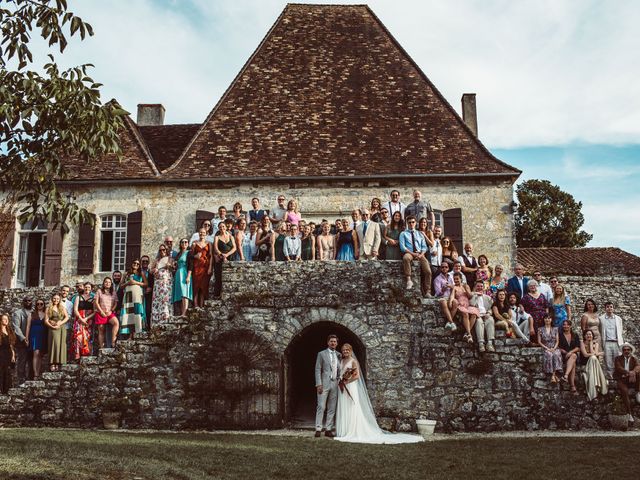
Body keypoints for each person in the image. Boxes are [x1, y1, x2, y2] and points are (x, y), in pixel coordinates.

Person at [335, 342, 423, 444]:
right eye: (344, 350)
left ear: (350, 351)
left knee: (351, 406)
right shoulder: (342, 361)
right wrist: (341, 381)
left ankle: (353, 430)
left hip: (350, 387)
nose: (345, 351)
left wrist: (347, 382)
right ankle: (344, 430)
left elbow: (357, 376)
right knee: (343, 406)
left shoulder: (353, 361)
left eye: (347, 350)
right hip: (342, 387)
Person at [315, 334, 341, 438]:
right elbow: (317, 369)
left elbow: (340, 369)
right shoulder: (321, 354)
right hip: (324, 384)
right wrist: (318, 384)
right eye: (331, 341)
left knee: (332, 407)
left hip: (335, 384)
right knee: (321, 406)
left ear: (337, 343)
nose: (333, 343)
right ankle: (318, 428)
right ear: (328, 342)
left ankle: (328, 429)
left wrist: (340, 380)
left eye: (335, 341)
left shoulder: (339, 355)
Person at [399, 215, 431, 295]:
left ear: (415, 223)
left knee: (428, 271)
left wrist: (421, 254)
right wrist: (412, 253)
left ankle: (428, 291)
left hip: (420, 254)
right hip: (410, 253)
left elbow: (424, 247)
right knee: (406, 258)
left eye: (413, 222)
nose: (411, 224)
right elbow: (402, 247)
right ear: (407, 223)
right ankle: (409, 280)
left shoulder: (420, 234)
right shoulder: (403, 234)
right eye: (409, 222)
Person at [120, 259, 147, 338]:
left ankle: (138, 333)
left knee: (137, 312)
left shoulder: (140, 273)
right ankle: (130, 334)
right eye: (134, 263)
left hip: (137, 295)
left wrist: (136, 282)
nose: (136, 265)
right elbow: (121, 286)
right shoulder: (126, 274)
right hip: (128, 295)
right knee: (129, 313)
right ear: (131, 264)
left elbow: (146, 284)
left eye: (138, 264)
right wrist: (127, 283)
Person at [613, 343, 640, 422]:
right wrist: (629, 373)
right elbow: (618, 368)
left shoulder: (634, 358)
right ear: (622, 351)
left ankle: (638, 392)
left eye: (628, 350)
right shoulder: (618, 358)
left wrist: (633, 372)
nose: (626, 351)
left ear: (631, 351)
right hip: (622, 379)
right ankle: (629, 414)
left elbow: (638, 366)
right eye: (624, 350)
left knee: (639, 373)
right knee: (624, 391)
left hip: (631, 379)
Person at [449, 272, 478, 344]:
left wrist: (466, 289)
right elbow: (452, 296)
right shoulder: (454, 287)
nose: (456, 280)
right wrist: (450, 302)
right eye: (454, 279)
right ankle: (469, 334)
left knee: (474, 314)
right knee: (465, 314)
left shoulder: (465, 286)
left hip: (467, 305)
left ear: (461, 279)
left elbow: (470, 296)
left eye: (457, 279)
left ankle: (466, 333)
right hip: (460, 305)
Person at [599, 302, 625, 379]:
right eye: (607, 307)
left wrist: (620, 341)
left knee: (618, 359)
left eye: (611, 307)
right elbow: (600, 330)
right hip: (607, 342)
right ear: (605, 308)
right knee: (608, 360)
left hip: (616, 342)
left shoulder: (618, 319)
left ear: (613, 308)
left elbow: (620, 330)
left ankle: (618, 376)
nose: (609, 308)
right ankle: (610, 377)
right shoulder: (601, 319)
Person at [580, 329, 608, 401]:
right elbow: (585, 355)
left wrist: (591, 344)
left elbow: (594, 354)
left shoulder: (596, 344)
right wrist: (599, 353)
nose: (589, 335)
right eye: (587, 334)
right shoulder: (582, 343)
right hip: (585, 364)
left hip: (593, 364)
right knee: (593, 357)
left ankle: (594, 390)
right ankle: (597, 385)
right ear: (584, 336)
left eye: (590, 334)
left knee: (593, 358)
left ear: (592, 336)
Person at [151, 244, 175, 325]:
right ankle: (157, 321)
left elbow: (174, 269)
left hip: (166, 283)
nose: (162, 251)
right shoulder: (156, 260)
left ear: (166, 250)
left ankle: (166, 319)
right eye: (160, 250)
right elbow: (151, 270)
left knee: (166, 300)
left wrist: (170, 266)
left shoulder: (170, 259)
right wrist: (155, 270)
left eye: (164, 249)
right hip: (158, 284)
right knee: (158, 300)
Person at [11, 296, 31, 385]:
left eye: (30, 300)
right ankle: (20, 380)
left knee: (31, 360)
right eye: (26, 300)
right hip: (21, 342)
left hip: (33, 340)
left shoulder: (33, 313)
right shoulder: (17, 313)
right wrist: (23, 339)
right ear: (23, 302)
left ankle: (30, 378)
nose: (28, 302)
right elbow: (16, 327)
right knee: (22, 360)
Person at [45, 293, 68, 371]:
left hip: (61, 328)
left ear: (60, 299)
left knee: (61, 344)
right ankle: (52, 363)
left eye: (58, 299)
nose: (56, 300)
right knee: (54, 344)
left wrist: (60, 323)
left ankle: (59, 363)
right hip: (53, 328)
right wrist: (52, 326)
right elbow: (46, 320)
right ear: (52, 299)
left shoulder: (62, 307)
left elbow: (67, 317)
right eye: (54, 298)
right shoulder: (49, 308)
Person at [213, 221, 237, 297]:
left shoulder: (231, 237)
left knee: (231, 276)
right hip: (220, 258)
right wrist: (222, 255)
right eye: (220, 227)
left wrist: (226, 255)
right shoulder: (217, 237)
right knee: (219, 276)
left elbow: (234, 247)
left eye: (223, 226)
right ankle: (217, 295)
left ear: (226, 227)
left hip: (230, 257)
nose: (222, 228)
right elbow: (215, 248)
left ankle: (230, 294)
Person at [93, 277, 119, 349]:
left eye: (109, 282)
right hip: (100, 313)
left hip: (109, 313)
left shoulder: (113, 292)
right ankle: (101, 347)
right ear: (103, 283)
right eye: (106, 282)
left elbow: (116, 303)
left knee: (116, 323)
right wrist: (101, 312)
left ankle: (113, 342)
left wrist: (111, 310)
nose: (107, 283)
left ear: (111, 284)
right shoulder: (99, 291)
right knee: (101, 330)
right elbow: (96, 302)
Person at [537, 314, 563, 384]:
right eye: (546, 318)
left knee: (556, 354)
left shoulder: (555, 329)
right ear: (544, 320)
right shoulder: (540, 329)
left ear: (551, 320)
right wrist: (547, 348)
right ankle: (553, 376)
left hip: (554, 347)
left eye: (549, 318)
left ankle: (553, 376)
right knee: (549, 355)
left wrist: (554, 348)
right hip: (545, 347)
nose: (547, 320)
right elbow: (539, 342)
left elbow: (557, 341)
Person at [71, 282, 94, 360]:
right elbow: (75, 310)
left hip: (88, 320)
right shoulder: (78, 297)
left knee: (87, 338)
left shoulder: (93, 299)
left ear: (91, 289)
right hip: (79, 320)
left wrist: (86, 319)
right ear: (83, 288)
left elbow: (95, 311)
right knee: (78, 337)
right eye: (86, 287)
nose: (87, 289)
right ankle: (77, 356)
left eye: (89, 287)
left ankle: (86, 355)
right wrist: (81, 319)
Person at [470, 280, 495, 353]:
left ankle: (489, 344)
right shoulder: (472, 296)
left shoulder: (488, 297)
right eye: (478, 286)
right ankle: (481, 344)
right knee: (479, 321)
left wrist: (489, 313)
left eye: (481, 286)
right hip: (477, 315)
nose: (480, 288)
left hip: (485, 314)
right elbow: (471, 305)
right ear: (475, 287)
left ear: (483, 288)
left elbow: (491, 308)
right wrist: (475, 295)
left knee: (490, 320)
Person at [191, 227, 213, 307]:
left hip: (205, 266)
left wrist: (210, 267)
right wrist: (195, 256)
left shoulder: (209, 243)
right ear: (198, 233)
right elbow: (190, 256)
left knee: (203, 285)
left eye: (203, 233)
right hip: (196, 266)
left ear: (206, 234)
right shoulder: (194, 243)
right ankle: (196, 305)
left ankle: (202, 304)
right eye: (200, 232)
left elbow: (211, 256)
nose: (202, 234)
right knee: (196, 285)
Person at [558, 320, 580, 394]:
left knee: (573, 357)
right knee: (573, 363)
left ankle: (566, 376)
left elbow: (578, 347)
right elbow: (557, 346)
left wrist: (570, 352)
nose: (565, 326)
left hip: (572, 355)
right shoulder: (560, 335)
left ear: (570, 326)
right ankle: (572, 386)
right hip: (564, 356)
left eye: (567, 325)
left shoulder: (575, 335)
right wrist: (563, 351)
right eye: (564, 325)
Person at [26, 299, 46, 378]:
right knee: (36, 353)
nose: (39, 305)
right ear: (36, 305)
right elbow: (28, 326)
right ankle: (35, 374)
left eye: (41, 304)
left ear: (44, 305)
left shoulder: (45, 314)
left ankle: (38, 371)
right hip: (34, 335)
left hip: (43, 335)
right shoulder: (32, 314)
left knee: (40, 354)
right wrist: (26, 337)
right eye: (38, 304)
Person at [173, 238, 193, 316]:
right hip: (178, 274)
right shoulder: (178, 254)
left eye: (186, 242)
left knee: (185, 293)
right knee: (180, 294)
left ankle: (185, 313)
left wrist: (188, 276)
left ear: (188, 244)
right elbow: (175, 264)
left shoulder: (189, 253)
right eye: (182, 242)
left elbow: (191, 265)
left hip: (185, 273)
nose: (184, 243)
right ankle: (182, 313)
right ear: (180, 244)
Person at [434, 262, 457, 331]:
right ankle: (452, 322)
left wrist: (451, 287)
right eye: (442, 267)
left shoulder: (450, 277)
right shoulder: (437, 279)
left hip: (450, 297)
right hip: (442, 297)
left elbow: (454, 287)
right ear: (440, 268)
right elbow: (438, 293)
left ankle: (448, 322)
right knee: (443, 302)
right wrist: (443, 289)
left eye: (446, 267)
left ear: (448, 268)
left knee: (455, 302)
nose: (444, 268)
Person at [0, 314, 16, 394]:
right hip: (1, 353)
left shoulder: (9, 331)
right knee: (2, 370)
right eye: (4, 319)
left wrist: (13, 355)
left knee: (8, 371)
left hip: (8, 353)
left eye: (7, 319)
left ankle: (6, 390)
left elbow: (11, 345)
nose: (6, 320)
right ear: (1, 320)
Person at [140, 255, 153, 327]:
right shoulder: (138, 272)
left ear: (148, 262)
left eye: (146, 261)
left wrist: (151, 288)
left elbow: (154, 282)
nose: (145, 262)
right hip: (139, 294)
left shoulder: (151, 272)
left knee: (148, 310)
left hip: (149, 294)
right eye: (143, 261)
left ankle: (148, 327)